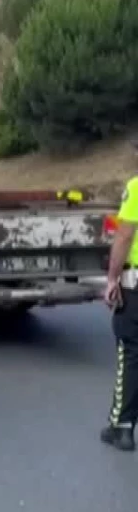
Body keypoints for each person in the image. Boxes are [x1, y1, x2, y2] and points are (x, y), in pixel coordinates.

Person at [101, 151, 138, 452]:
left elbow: (124, 235)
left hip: (136, 287)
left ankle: (122, 427)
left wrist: (112, 279)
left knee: (130, 352)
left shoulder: (137, 187)